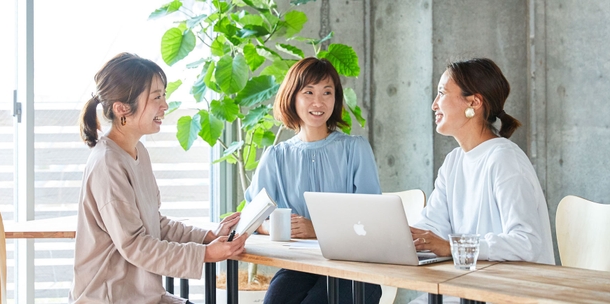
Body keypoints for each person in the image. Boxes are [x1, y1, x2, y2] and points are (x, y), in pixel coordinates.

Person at [69, 52, 248, 304]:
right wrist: (204, 254)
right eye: (156, 98)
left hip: (142, 296)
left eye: (163, 96)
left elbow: (155, 223)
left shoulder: (136, 151)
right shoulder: (107, 164)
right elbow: (135, 245)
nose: (164, 105)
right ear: (122, 108)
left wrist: (206, 236)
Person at [409, 58, 554, 302]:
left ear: (474, 103)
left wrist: (454, 248)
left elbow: (526, 241)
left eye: (442, 93)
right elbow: (431, 228)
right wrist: (401, 238)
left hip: (512, 293)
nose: (434, 105)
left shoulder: (504, 159)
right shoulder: (454, 161)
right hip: (469, 288)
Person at [244, 57, 383, 304]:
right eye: (308, 92)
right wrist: (276, 226)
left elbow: (372, 222)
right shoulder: (276, 156)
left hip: (354, 269)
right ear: (292, 97)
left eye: (327, 92)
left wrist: (316, 229)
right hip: (299, 267)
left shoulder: (355, 149)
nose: (318, 102)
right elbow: (251, 218)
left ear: (336, 98)